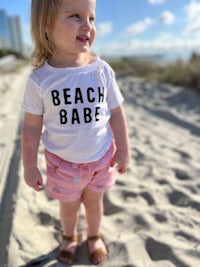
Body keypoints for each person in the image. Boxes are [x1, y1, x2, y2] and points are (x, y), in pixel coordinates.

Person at [21, 0, 130, 265]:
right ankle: (70, 237)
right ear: (46, 25)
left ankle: (94, 236)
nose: (87, 26)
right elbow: (32, 126)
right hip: (62, 164)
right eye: (75, 16)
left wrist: (124, 150)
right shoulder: (40, 79)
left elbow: (116, 113)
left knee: (94, 203)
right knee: (68, 207)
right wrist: (30, 166)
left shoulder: (101, 71)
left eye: (91, 18)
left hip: (101, 158)